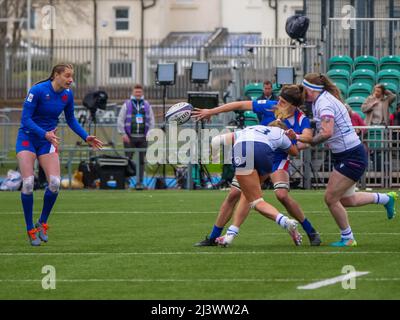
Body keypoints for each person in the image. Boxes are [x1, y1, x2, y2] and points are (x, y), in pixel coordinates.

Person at [193, 85, 321, 247]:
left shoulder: (301, 118)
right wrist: (211, 111)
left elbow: (308, 138)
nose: (277, 104)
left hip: (278, 158)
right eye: (279, 100)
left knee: (281, 195)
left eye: (282, 102)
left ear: (293, 105)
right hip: (258, 153)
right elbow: (239, 105)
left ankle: (310, 231)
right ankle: (214, 237)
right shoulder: (269, 106)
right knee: (235, 194)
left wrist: (293, 135)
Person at [291, 73, 398, 247]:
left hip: (351, 155)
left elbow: (326, 133)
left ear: (311, 90)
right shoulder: (321, 100)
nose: (302, 93)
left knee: (331, 198)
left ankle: (348, 238)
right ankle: (385, 198)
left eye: (304, 89)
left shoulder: (324, 103)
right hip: (347, 154)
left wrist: (302, 139)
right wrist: (295, 144)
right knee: (347, 200)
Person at [16, 63, 103, 246]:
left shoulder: (67, 95)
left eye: (72, 76)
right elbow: (25, 119)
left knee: (55, 183)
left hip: (48, 140)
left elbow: (71, 119)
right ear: (56, 75)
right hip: (28, 139)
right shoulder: (38, 90)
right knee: (28, 183)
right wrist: (44, 133)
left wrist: (86, 137)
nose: (71, 79)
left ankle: (42, 222)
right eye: (67, 75)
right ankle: (30, 228)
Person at [117, 84, 155, 189]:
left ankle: (140, 183)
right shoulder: (127, 104)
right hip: (129, 137)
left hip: (143, 137)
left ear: (142, 93)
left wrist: (149, 134)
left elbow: (152, 120)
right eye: (136, 92)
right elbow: (120, 119)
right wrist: (123, 134)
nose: (138, 93)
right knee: (127, 160)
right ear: (133, 92)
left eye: (139, 92)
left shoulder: (147, 105)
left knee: (141, 161)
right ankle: (125, 182)